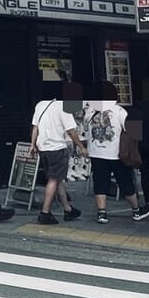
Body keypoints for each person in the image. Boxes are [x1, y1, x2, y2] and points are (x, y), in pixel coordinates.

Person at [84, 89, 149, 224]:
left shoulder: (90, 112)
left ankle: (102, 213)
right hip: (116, 154)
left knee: (100, 183)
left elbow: (86, 128)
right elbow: (132, 131)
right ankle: (136, 210)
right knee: (125, 182)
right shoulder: (119, 111)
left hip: (96, 153)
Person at [29, 93, 86, 225]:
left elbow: (35, 127)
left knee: (57, 179)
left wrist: (33, 144)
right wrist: (81, 147)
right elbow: (71, 131)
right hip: (57, 149)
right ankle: (45, 213)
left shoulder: (40, 105)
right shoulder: (63, 107)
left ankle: (67, 209)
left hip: (43, 149)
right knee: (54, 180)